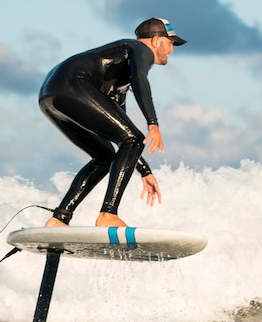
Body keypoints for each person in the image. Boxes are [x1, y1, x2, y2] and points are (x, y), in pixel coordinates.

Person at [38, 17, 187, 227]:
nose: (172, 50)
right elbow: (140, 80)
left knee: (105, 156)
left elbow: (122, 135)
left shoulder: (118, 75)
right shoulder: (138, 49)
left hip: (51, 96)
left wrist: (144, 171)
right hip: (72, 84)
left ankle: (59, 218)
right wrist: (153, 123)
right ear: (155, 40)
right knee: (133, 140)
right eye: (171, 43)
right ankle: (108, 214)